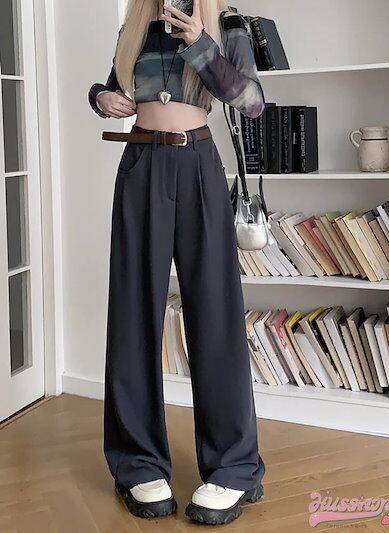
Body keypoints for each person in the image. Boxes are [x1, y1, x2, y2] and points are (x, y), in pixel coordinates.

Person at [88, 0, 266, 525]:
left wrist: (201, 46)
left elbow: (252, 102)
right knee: (133, 314)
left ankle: (234, 468)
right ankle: (138, 463)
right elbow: (107, 88)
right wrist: (102, 98)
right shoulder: (135, 27)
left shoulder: (227, 24)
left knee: (215, 314)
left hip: (198, 164)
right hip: (140, 163)